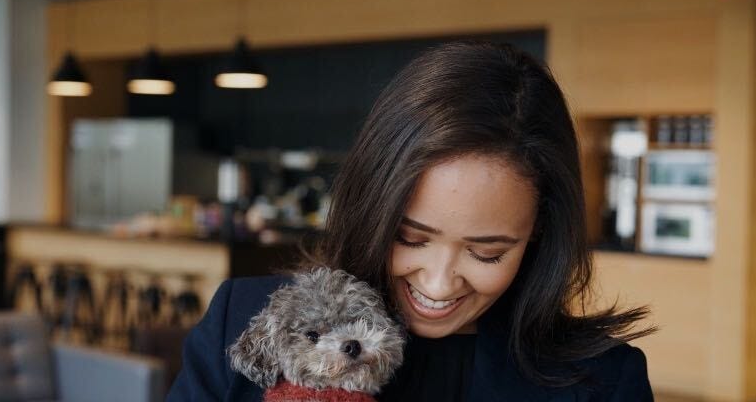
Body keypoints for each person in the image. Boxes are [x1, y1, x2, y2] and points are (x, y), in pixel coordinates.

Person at [167, 41, 656, 401]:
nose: (439, 285)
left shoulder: (605, 382)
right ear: (370, 205)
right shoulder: (245, 320)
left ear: (538, 235)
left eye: (487, 253)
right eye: (410, 237)